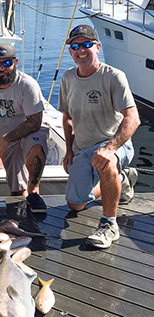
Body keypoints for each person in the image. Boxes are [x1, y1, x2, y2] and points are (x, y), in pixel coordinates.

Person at [58, 24, 140, 249]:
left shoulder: (114, 76)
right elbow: (67, 118)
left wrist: (110, 148)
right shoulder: (67, 78)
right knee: (75, 205)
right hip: (83, 147)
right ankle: (122, 181)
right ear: (70, 51)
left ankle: (109, 224)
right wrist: (69, 150)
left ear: (97, 47)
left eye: (86, 45)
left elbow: (133, 119)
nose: (80, 50)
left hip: (113, 143)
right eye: (75, 46)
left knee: (107, 163)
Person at [0, 44, 49, 213]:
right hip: (5, 139)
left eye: (7, 63)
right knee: (16, 188)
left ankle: (34, 192)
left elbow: (35, 122)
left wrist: (5, 139)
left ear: (16, 62)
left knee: (35, 145)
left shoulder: (27, 85)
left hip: (28, 131)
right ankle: (20, 212)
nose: (2, 69)